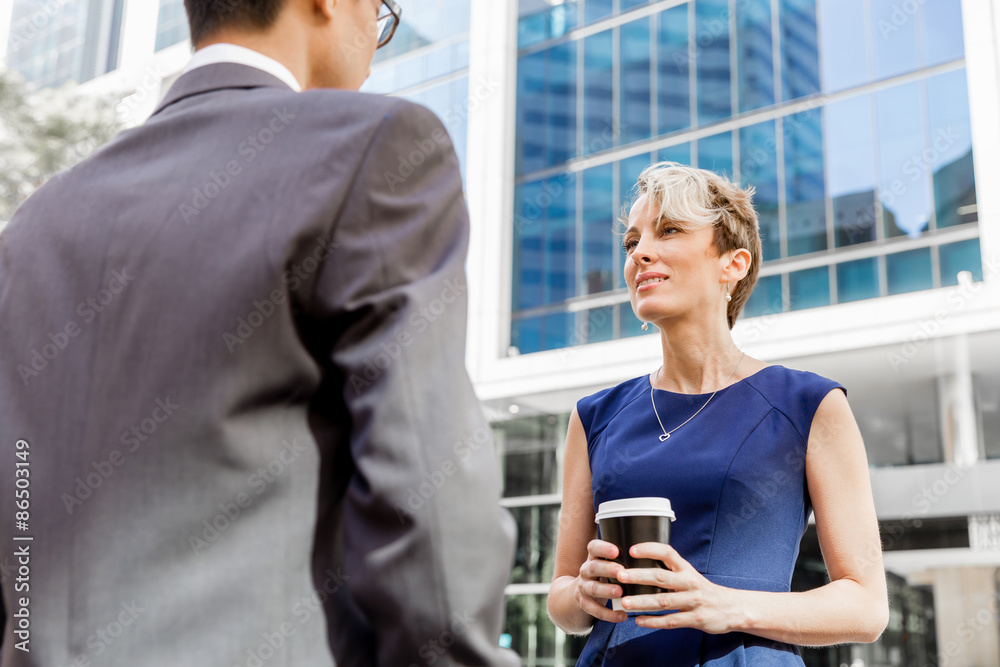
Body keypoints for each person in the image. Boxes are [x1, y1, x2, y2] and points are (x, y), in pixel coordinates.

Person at [0, 1, 519, 665]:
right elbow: (429, 520)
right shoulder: (375, 146)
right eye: (381, 10)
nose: (377, 34)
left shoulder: (35, 225)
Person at [546, 162, 889, 665]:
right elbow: (563, 599)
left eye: (670, 231)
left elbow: (865, 607)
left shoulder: (808, 406)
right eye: (632, 242)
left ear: (734, 264)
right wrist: (581, 594)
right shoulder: (595, 416)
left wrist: (727, 606)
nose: (640, 252)